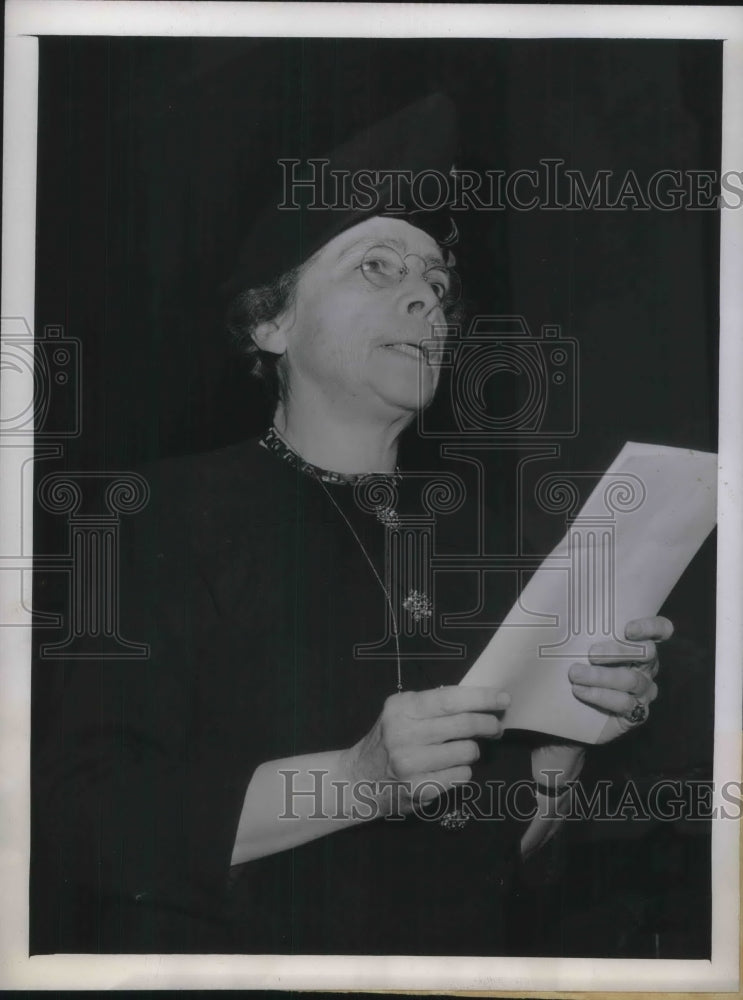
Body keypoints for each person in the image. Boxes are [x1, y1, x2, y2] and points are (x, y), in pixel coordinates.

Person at [34, 94, 671, 956]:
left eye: (436, 285)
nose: (427, 304)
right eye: (379, 268)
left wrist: (575, 737)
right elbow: (81, 817)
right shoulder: (156, 514)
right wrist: (355, 780)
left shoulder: (494, 547)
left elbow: (509, 856)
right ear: (272, 319)